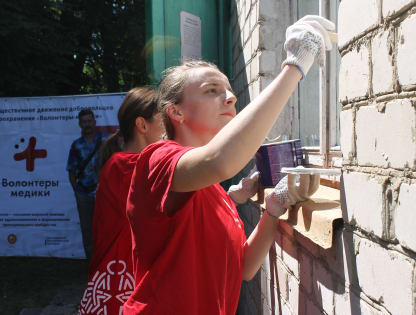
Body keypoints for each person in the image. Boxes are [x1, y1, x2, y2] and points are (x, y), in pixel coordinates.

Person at [123, 15, 335, 314]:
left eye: (229, 90)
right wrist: (295, 65)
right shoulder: (156, 160)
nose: (231, 98)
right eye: (212, 90)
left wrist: (274, 207)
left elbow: (245, 267)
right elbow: (221, 160)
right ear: (176, 112)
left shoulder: (214, 192)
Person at [78, 87, 165, 315]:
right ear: (142, 125)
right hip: (120, 283)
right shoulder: (126, 166)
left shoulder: (125, 164)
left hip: (122, 279)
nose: (169, 127)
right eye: (163, 119)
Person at [67, 108, 108, 259]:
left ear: (94, 122)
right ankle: (92, 265)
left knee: (107, 228)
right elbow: (71, 171)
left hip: (105, 194)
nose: (87, 124)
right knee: (87, 230)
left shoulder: (106, 140)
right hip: (84, 194)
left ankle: (107, 262)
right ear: (80, 124)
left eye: (89, 121)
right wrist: (77, 193)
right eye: (84, 122)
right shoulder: (76, 145)